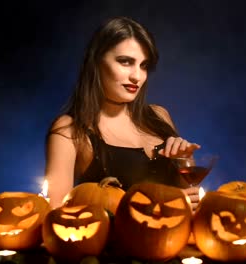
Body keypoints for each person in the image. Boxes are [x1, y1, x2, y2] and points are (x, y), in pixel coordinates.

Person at [44, 16, 201, 209]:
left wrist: (184, 160)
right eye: (125, 62)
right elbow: (55, 215)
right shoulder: (70, 130)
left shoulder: (159, 115)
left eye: (143, 66)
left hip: (175, 238)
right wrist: (161, 205)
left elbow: (190, 204)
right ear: (96, 62)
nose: (137, 76)